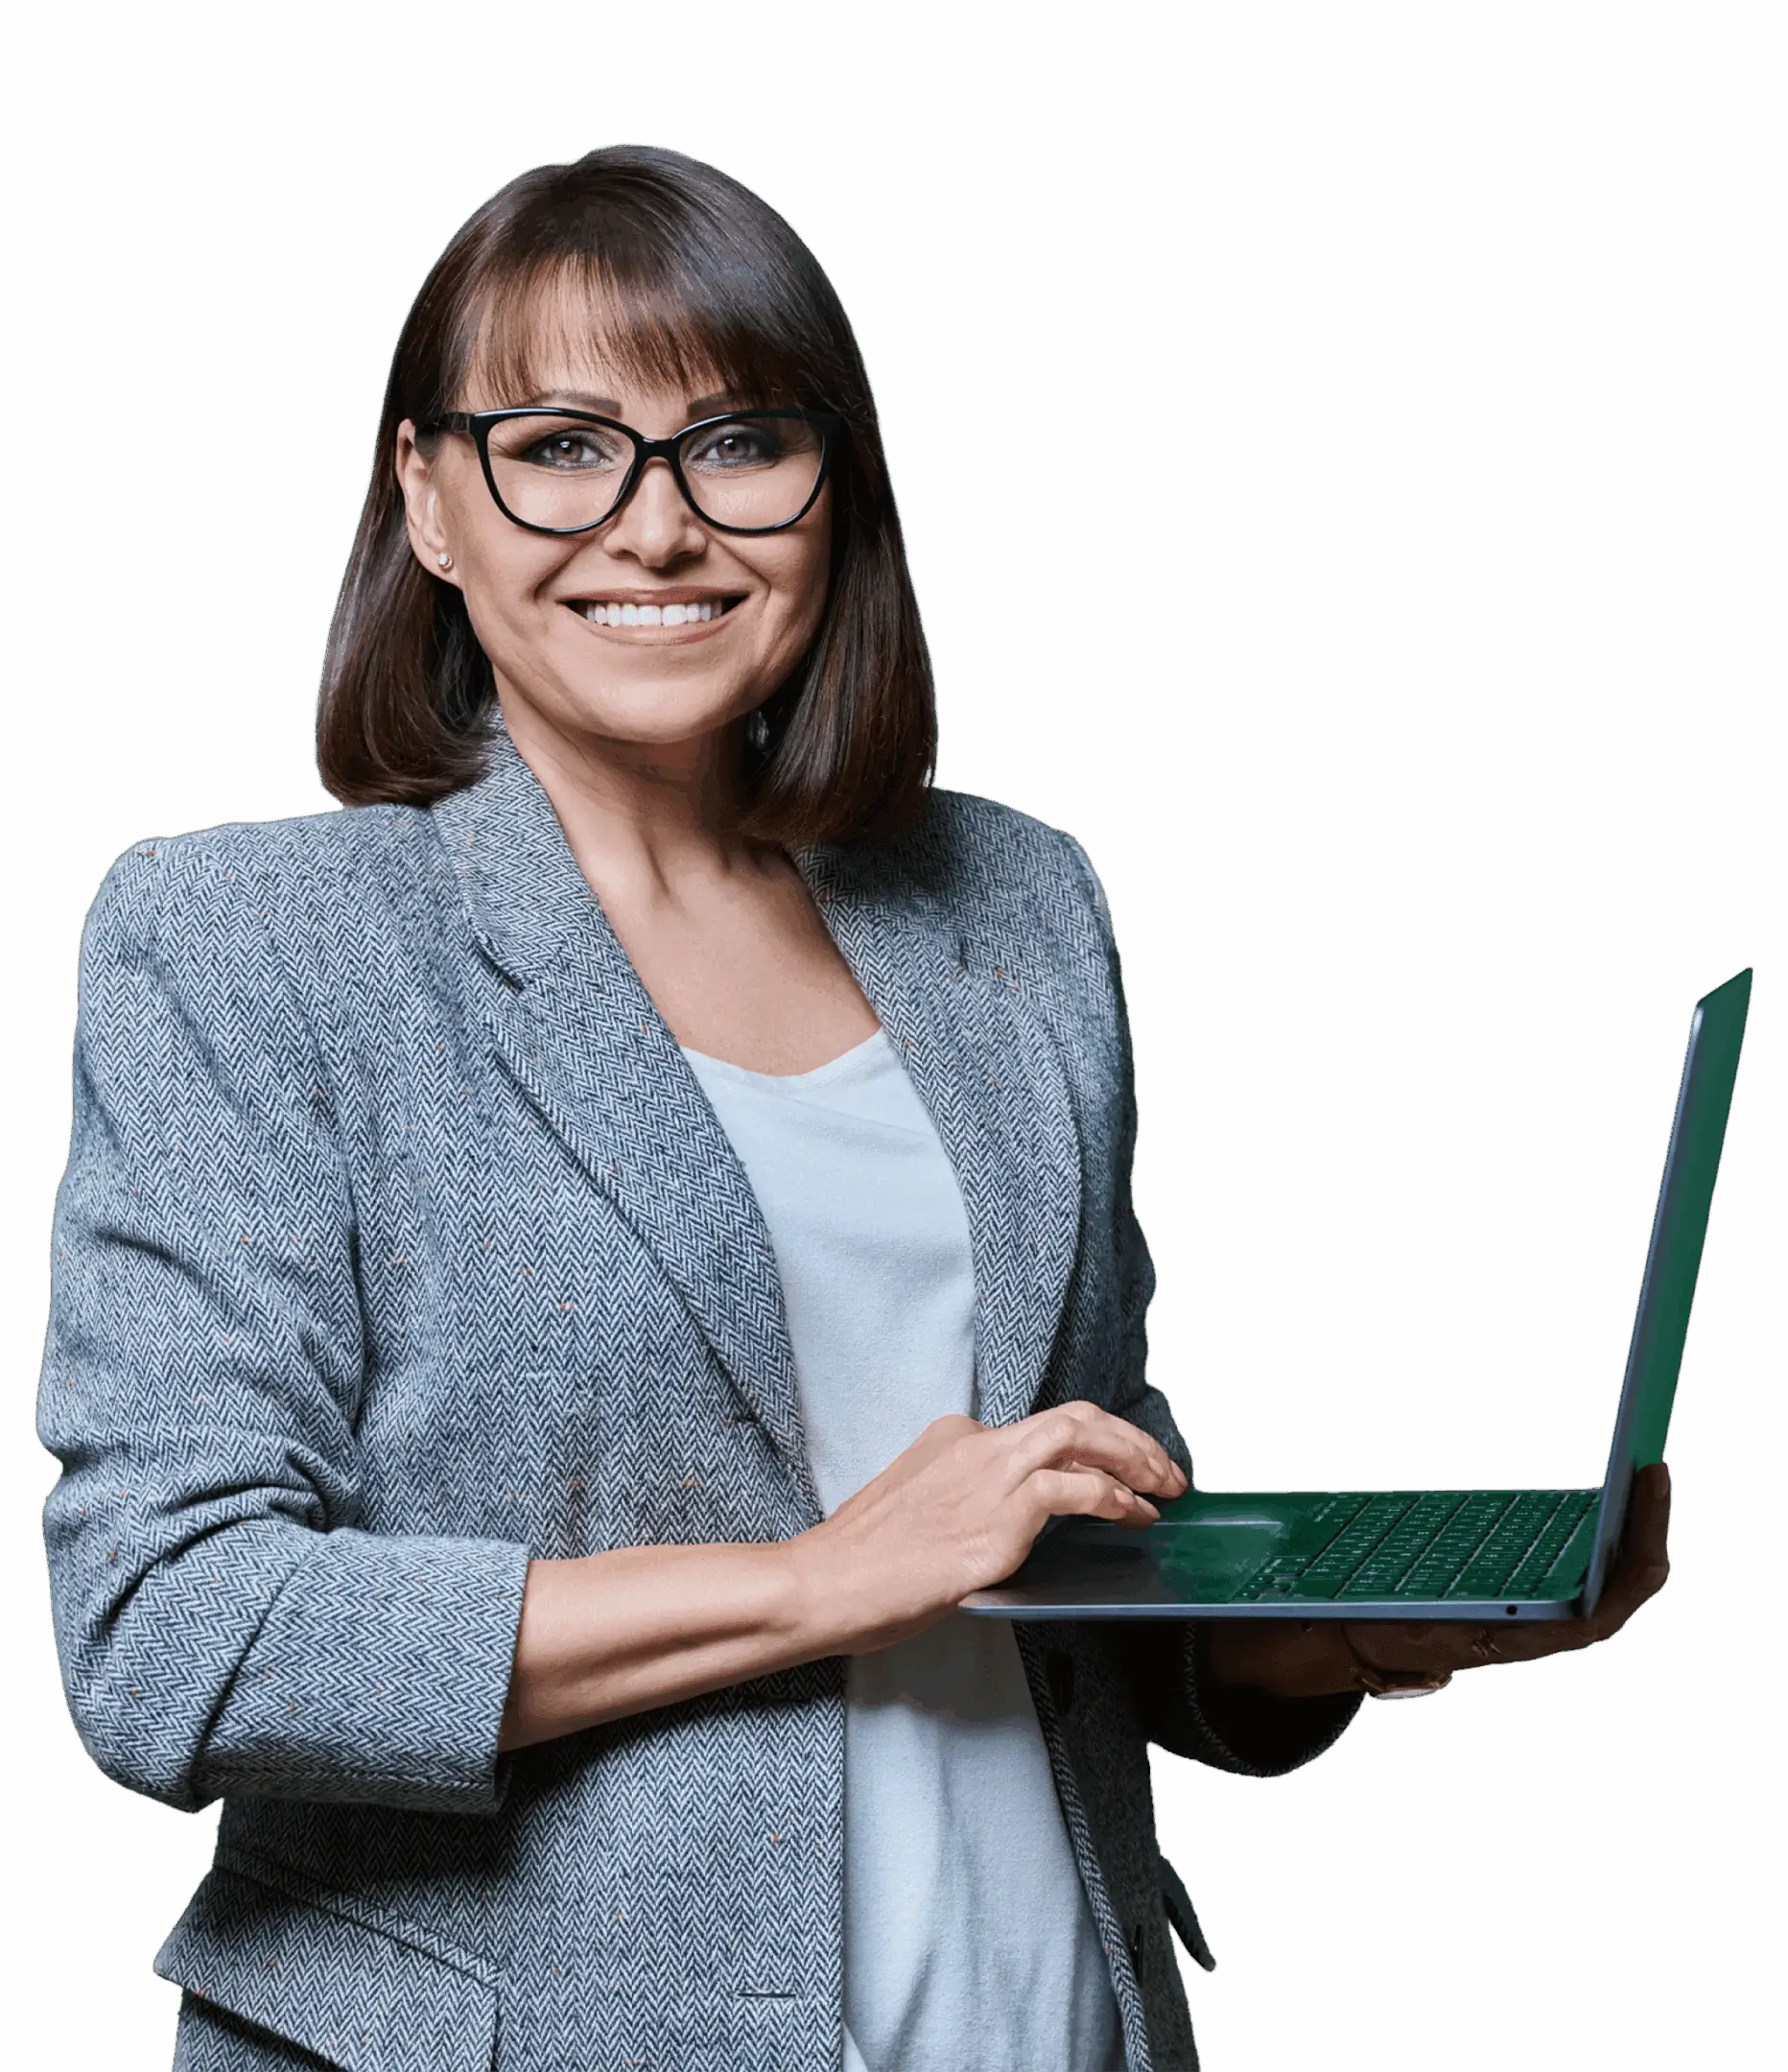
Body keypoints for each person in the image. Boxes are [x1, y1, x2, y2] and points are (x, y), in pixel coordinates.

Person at [38, 145, 1671, 2072]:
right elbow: (171, 1632)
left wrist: (1361, 1628)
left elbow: (1065, 1549)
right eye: (559, 445)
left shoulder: (1017, 913)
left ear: (833, 497)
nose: (654, 527)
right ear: (427, 503)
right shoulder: (251, 945)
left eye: (736, 442)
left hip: (1036, 2014)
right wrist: (816, 1581)